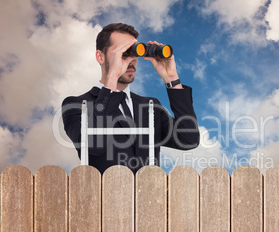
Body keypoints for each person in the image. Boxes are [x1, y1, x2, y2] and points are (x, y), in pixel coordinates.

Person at [62, 23, 200, 174]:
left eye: (134, 53)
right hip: (104, 196)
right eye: (123, 53)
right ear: (100, 57)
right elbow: (94, 145)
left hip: (148, 196)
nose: (131, 60)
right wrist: (112, 77)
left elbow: (188, 139)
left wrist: (171, 78)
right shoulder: (76, 105)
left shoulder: (150, 106)